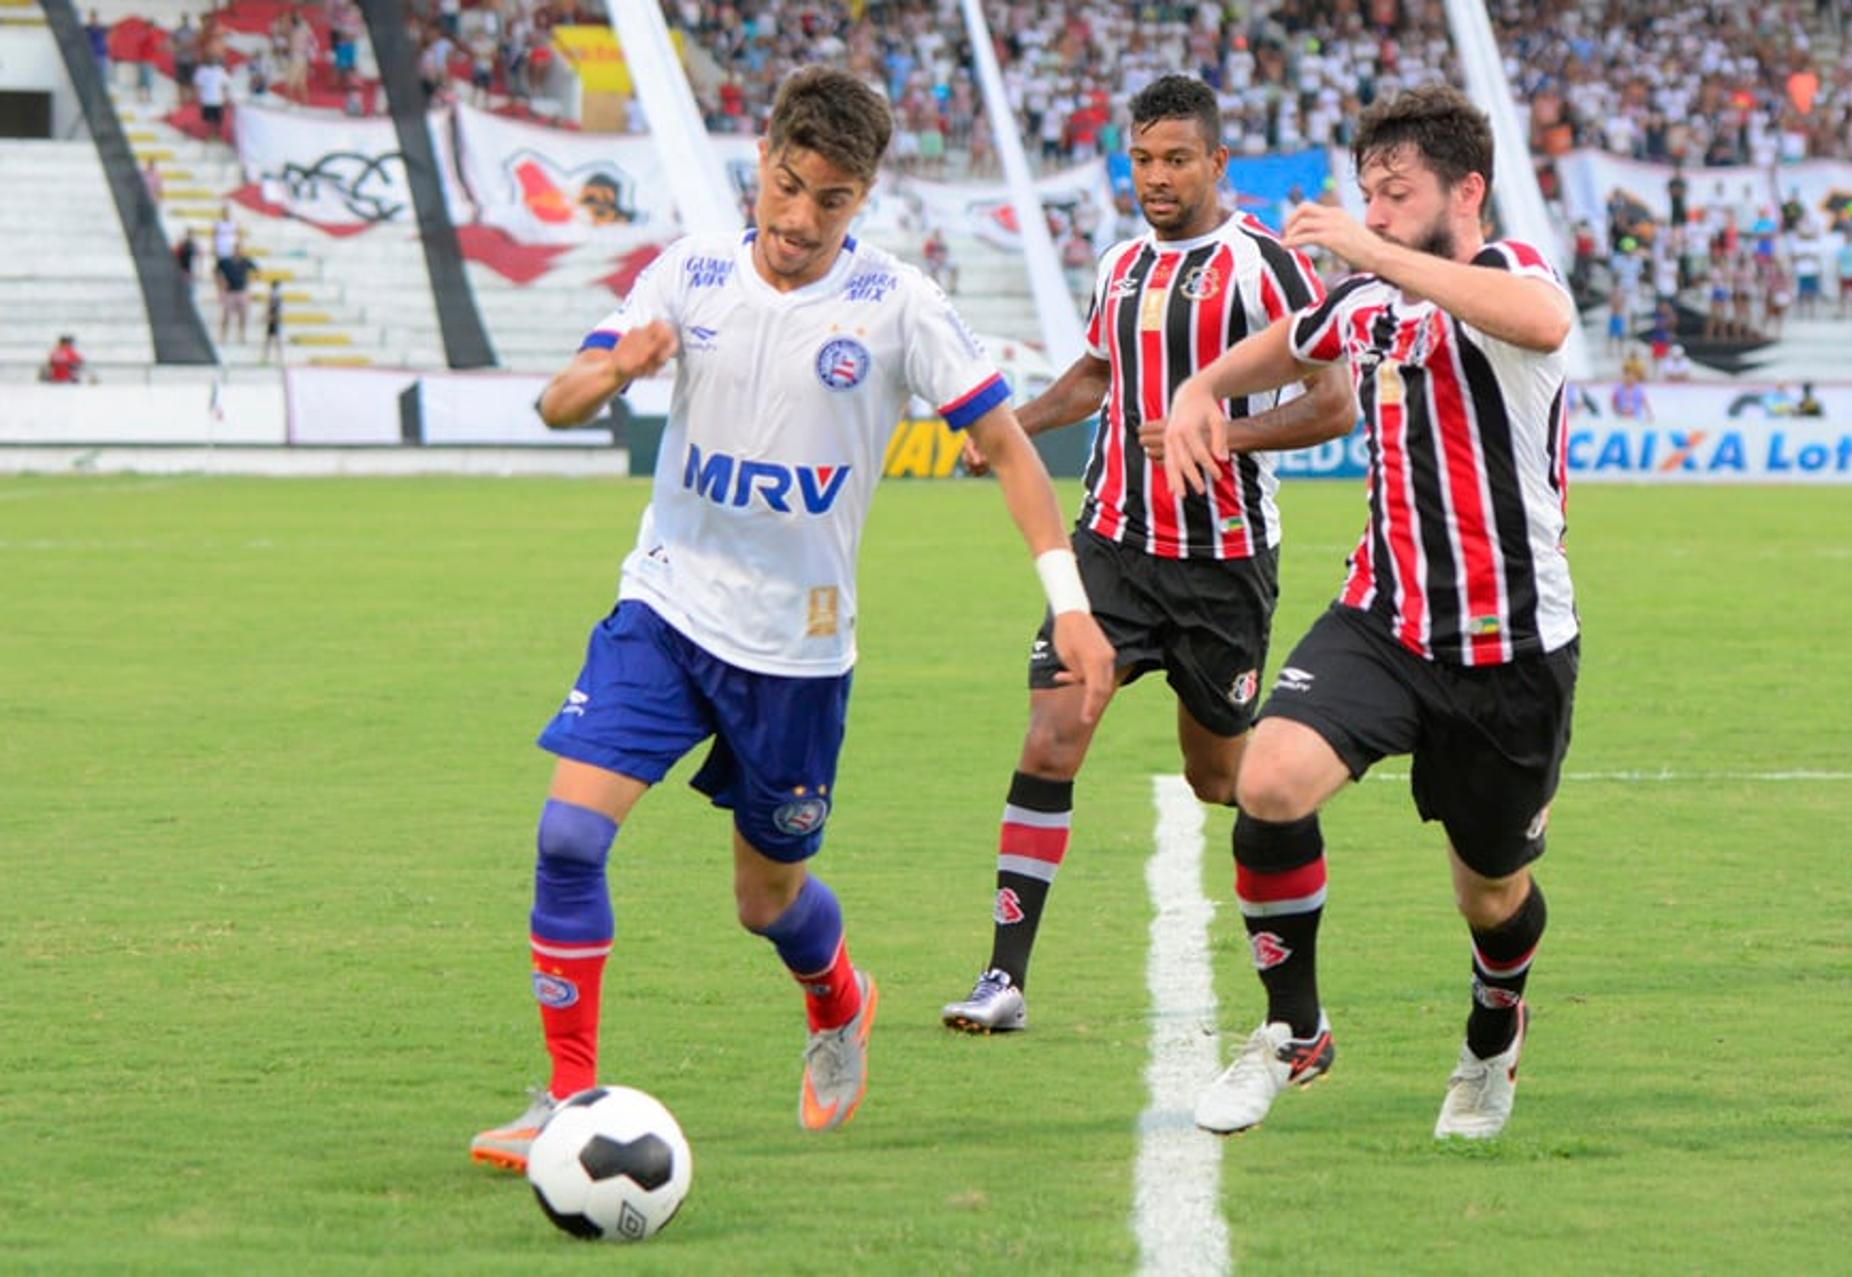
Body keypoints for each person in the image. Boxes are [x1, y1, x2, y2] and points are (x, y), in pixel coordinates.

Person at [466, 67, 1115, 1173]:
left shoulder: (898, 304)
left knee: (764, 898)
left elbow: (1008, 447)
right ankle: (567, 1100)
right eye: (786, 185)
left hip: (798, 652)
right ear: (758, 161)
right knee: (569, 834)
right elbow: (555, 399)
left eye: (831, 198)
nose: (801, 218)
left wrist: (1074, 607)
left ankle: (838, 998)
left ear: (861, 198)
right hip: (664, 609)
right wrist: (617, 366)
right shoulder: (689, 271)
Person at [1163, 83, 1580, 1142]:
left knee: (1490, 894)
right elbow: (1299, 342)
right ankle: (1295, 1030)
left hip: (1511, 646)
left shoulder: (1509, 274)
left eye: (1397, 193)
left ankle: (1495, 1024)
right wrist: (1197, 391)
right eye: (1368, 194)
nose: (1378, 211)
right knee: (1268, 778)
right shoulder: (1370, 302)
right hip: (1382, 619)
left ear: (1467, 189)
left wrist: (1371, 247)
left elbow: (1544, 320)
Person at [937, 76, 1355, 1035]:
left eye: (1176, 159)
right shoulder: (1123, 263)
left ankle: (1294, 924)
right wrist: (1009, 426)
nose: (1156, 177)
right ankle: (1003, 980)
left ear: (1217, 163)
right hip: (1111, 553)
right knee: (1050, 737)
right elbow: (1096, 374)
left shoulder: (1264, 267)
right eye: (1142, 158)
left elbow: (1335, 402)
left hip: (1223, 566)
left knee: (1224, 780)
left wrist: (1224, 435)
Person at [215, 248, 259, 343]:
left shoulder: (246, 261)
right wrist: (220, 283)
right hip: (229, 291)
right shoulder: (226, 262)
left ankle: (241, 336)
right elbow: (216, 271)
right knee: (226, 315)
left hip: (241, 291)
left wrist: (250, 281)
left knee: (242, 315)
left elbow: (257, 271)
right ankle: (223, 336)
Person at [261, 279, 284, 364]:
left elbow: (276, 311)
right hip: (273, 320)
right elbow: (270, 309)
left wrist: (270, 317)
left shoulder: (276, 298)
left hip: (275, 321)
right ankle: (267, 358)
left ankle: (277, 358)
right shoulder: (273, 297)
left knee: (274, 340)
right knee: (270, 340)